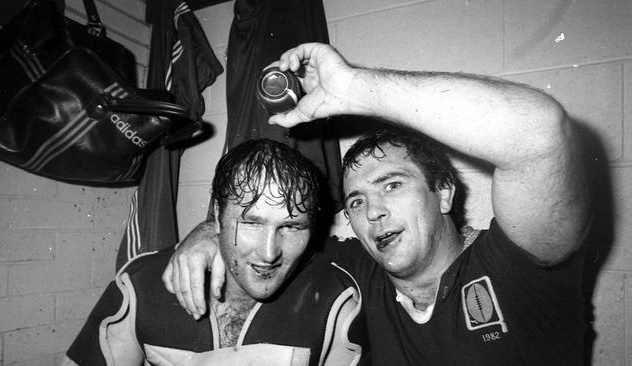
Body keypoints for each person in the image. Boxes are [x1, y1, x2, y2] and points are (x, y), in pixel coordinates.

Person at [163, 43, 592, 365]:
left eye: (391, 185)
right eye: (355, 201)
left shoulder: (517, 264)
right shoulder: (359, 270)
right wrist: (209, 232)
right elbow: (274, 231)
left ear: (443, 192)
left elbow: (539, 134)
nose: (372, 212)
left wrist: (354, 87)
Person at [61, 138, 367, 366]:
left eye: (291, 227)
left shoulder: (335, 299)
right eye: (251, 222)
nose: (269, 252)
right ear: (217, 216)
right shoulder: (142, 284)